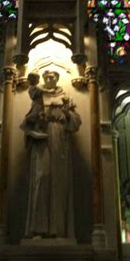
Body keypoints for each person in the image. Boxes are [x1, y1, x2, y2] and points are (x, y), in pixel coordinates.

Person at [22, 69, 81, 238]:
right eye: (47, 76)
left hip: (60, 137)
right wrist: (36, 122)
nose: (49, 78)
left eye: (52, 76)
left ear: (57, 78)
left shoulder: (66, 96)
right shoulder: (38, 95)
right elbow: (30, 117)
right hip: (42, 137)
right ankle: (38, 229)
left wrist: (67, 111)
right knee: (42, 178)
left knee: (59, 181)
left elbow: (76, 122)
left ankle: (58, 229)